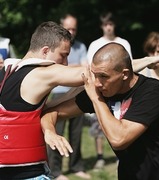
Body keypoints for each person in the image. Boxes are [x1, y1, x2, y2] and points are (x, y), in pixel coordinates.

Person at [41, 42, 159, 180]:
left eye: (103, 76)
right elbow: (53, 113)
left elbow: (119, 139)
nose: (97, 83)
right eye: (95, 75)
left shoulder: (152, 92)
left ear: (124, 74)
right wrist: (49, 131)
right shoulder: (103, 90)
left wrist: (96, 99)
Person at [0, 21, 86, 179]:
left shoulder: (6, 71)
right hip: (29, 174)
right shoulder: (41, 74)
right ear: (45, 51)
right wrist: (141, 62)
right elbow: (95, 73)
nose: (66, 63)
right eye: (63, 55)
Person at [86, 11, 133, 169]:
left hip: (120, 92)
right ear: (102, 26)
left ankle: (123, 156)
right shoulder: (94, 45)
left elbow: (130, 67)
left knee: (121, 125)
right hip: (100, 92)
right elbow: (89, 70)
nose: (108, 27)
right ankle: (100, 156)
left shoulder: (124, 43)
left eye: (110, 24)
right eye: (105, 24)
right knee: (99, 125)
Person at [47, 14, 90, 180]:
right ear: (61, 26)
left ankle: (76, 166)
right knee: (57, 132)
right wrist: (77, 67)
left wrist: (75, 67)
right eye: (68, 28)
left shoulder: (80, 47)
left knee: (77, 132)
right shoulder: (55, 46)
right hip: (59, 92)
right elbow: (56, 67)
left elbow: (85, 67)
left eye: (74, 28)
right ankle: (56, 171)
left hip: (78, 91)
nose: (71, 31)